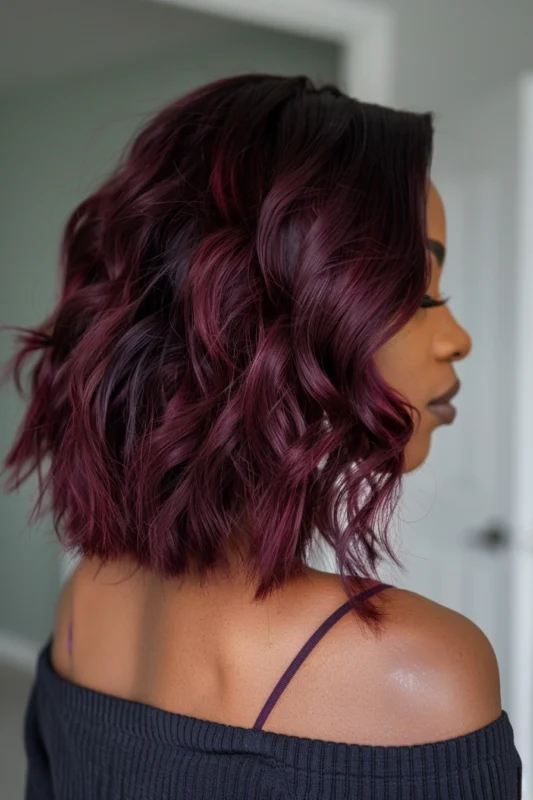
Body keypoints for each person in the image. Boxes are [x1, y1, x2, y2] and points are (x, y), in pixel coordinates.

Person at [3, 74, 521, 798]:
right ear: (275, 312)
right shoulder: (420, 673)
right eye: (422, 289)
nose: (456, 339)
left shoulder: (88, 596)